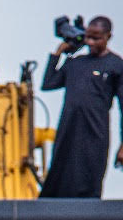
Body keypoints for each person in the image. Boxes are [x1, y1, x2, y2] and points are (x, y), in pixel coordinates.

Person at [39, 16, 123, 198]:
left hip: (95, 131)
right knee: (59, 175)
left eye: (96, 38)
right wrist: (58, 53)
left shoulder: (116, 65)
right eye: (88, 37)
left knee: (90, 177)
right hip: (68, 130)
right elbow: (48, 83)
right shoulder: (76, 63)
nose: (90, 42)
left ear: (108, 36)